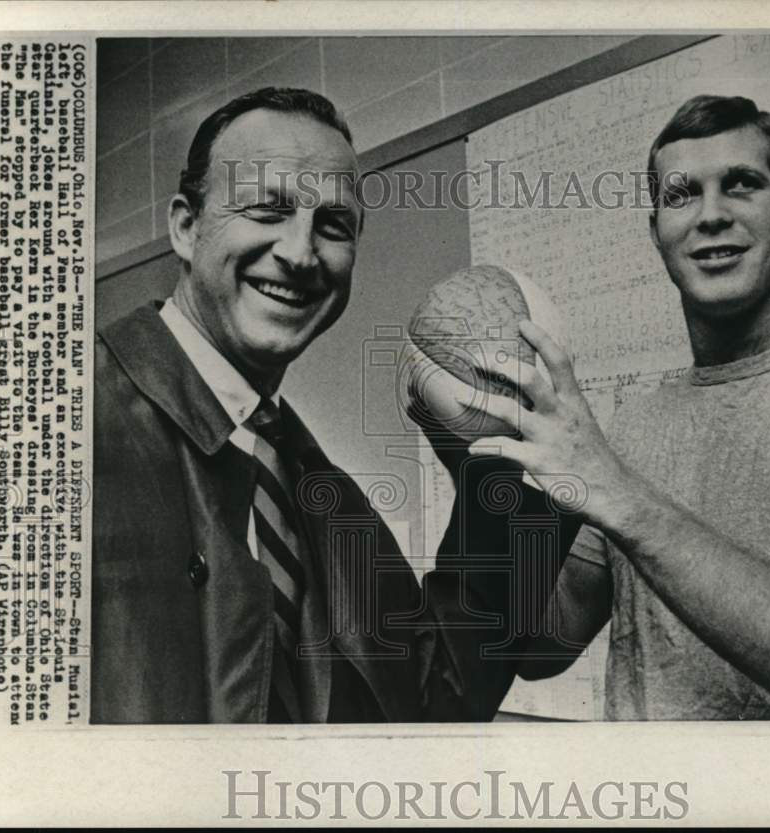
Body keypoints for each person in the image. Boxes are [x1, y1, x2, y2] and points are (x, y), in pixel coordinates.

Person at [91, 87, 578, 723]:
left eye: (333, 225)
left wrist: (500, 471)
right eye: (267, 209)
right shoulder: (64, 429)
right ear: (187, 227)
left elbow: (435, 701)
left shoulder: (322, 494)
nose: (300, 253)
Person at [462, 95, 770, 720]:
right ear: (657, 233)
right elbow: (542, 646)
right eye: (681, 195)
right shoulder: (634, 424)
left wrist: (621, 495)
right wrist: (482, 457)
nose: (711, 215)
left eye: (741, 184)